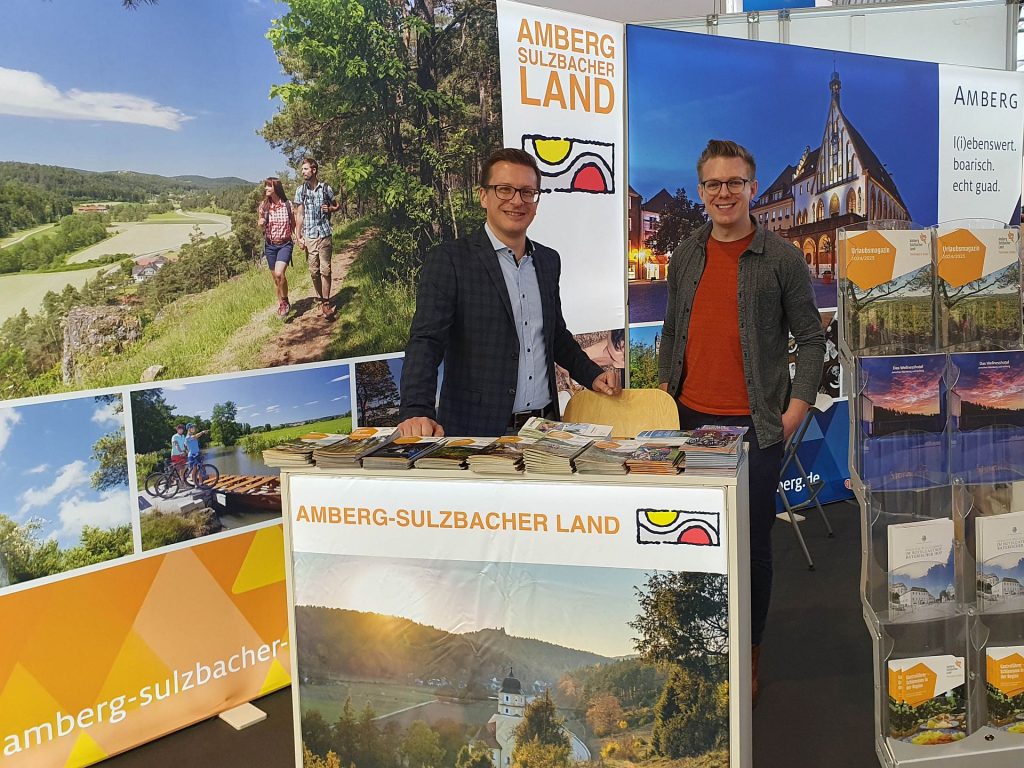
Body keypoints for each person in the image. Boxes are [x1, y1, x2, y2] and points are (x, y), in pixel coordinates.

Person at [658, 139, 825, 703]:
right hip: (688, 421)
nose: (723, 193)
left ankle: (748, 654)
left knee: (751, 547)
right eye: (713, 184)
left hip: (754, 428)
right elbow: (672, 331)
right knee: (689, 541)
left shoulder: (780, 258)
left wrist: (798, 405)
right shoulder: (686, 254)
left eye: (735, 183)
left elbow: (811, 335)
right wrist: (664, 389)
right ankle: (699, 649)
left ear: (752, 188)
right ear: (702, 190)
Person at [398, 148, 621, 437]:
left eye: (527, 192)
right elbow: (426, 342)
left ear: (536, 201)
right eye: (504, 190)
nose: (517, 200)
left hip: (544, 428)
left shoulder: (548, 261)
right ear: (483, 196)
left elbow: (555, 336)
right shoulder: (450, 260)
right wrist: (417, 409)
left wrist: (593, 375)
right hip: (476, 432)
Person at [293, 157, 340, 317]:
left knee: (325, 269)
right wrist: (298, 236)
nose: (303, 172)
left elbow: (336, 205)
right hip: (310, 235)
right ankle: (320, 298)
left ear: (314, 170)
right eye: (302, 170)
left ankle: (326, 303)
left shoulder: (326, 188)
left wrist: (330, 209)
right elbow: (299, 214)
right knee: (314, 271)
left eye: (305, 169)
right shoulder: (301, 190)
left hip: (325, 233)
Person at [258, 177, 296, 318]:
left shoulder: (287, 205)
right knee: (276, 279)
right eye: (266, 186)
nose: (266, 189)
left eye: (269, 186)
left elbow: (293, 223)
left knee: (280, 274)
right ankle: (282, 304)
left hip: (285, 244)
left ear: (276, 188)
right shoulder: (264, 206)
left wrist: (298, 237)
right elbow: (260, 222)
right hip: (270, 246)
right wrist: (261, 222)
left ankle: (284, 301)